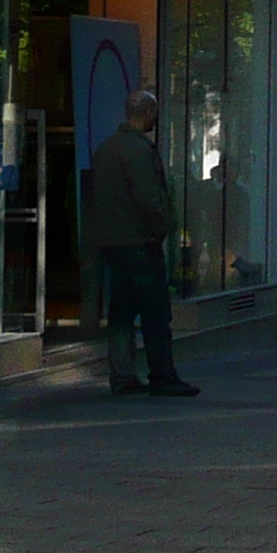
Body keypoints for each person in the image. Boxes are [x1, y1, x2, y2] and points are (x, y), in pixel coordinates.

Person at [89, 90, 198, 398]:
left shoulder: (105, 149)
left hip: (113, 243)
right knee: (155, 311)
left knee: (121, 310)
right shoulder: (138, 150)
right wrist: (163, 227)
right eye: (155, 112)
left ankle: (122, 375)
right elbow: (148, 198)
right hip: (138, 241)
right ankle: (162, 374)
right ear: (148, 112)